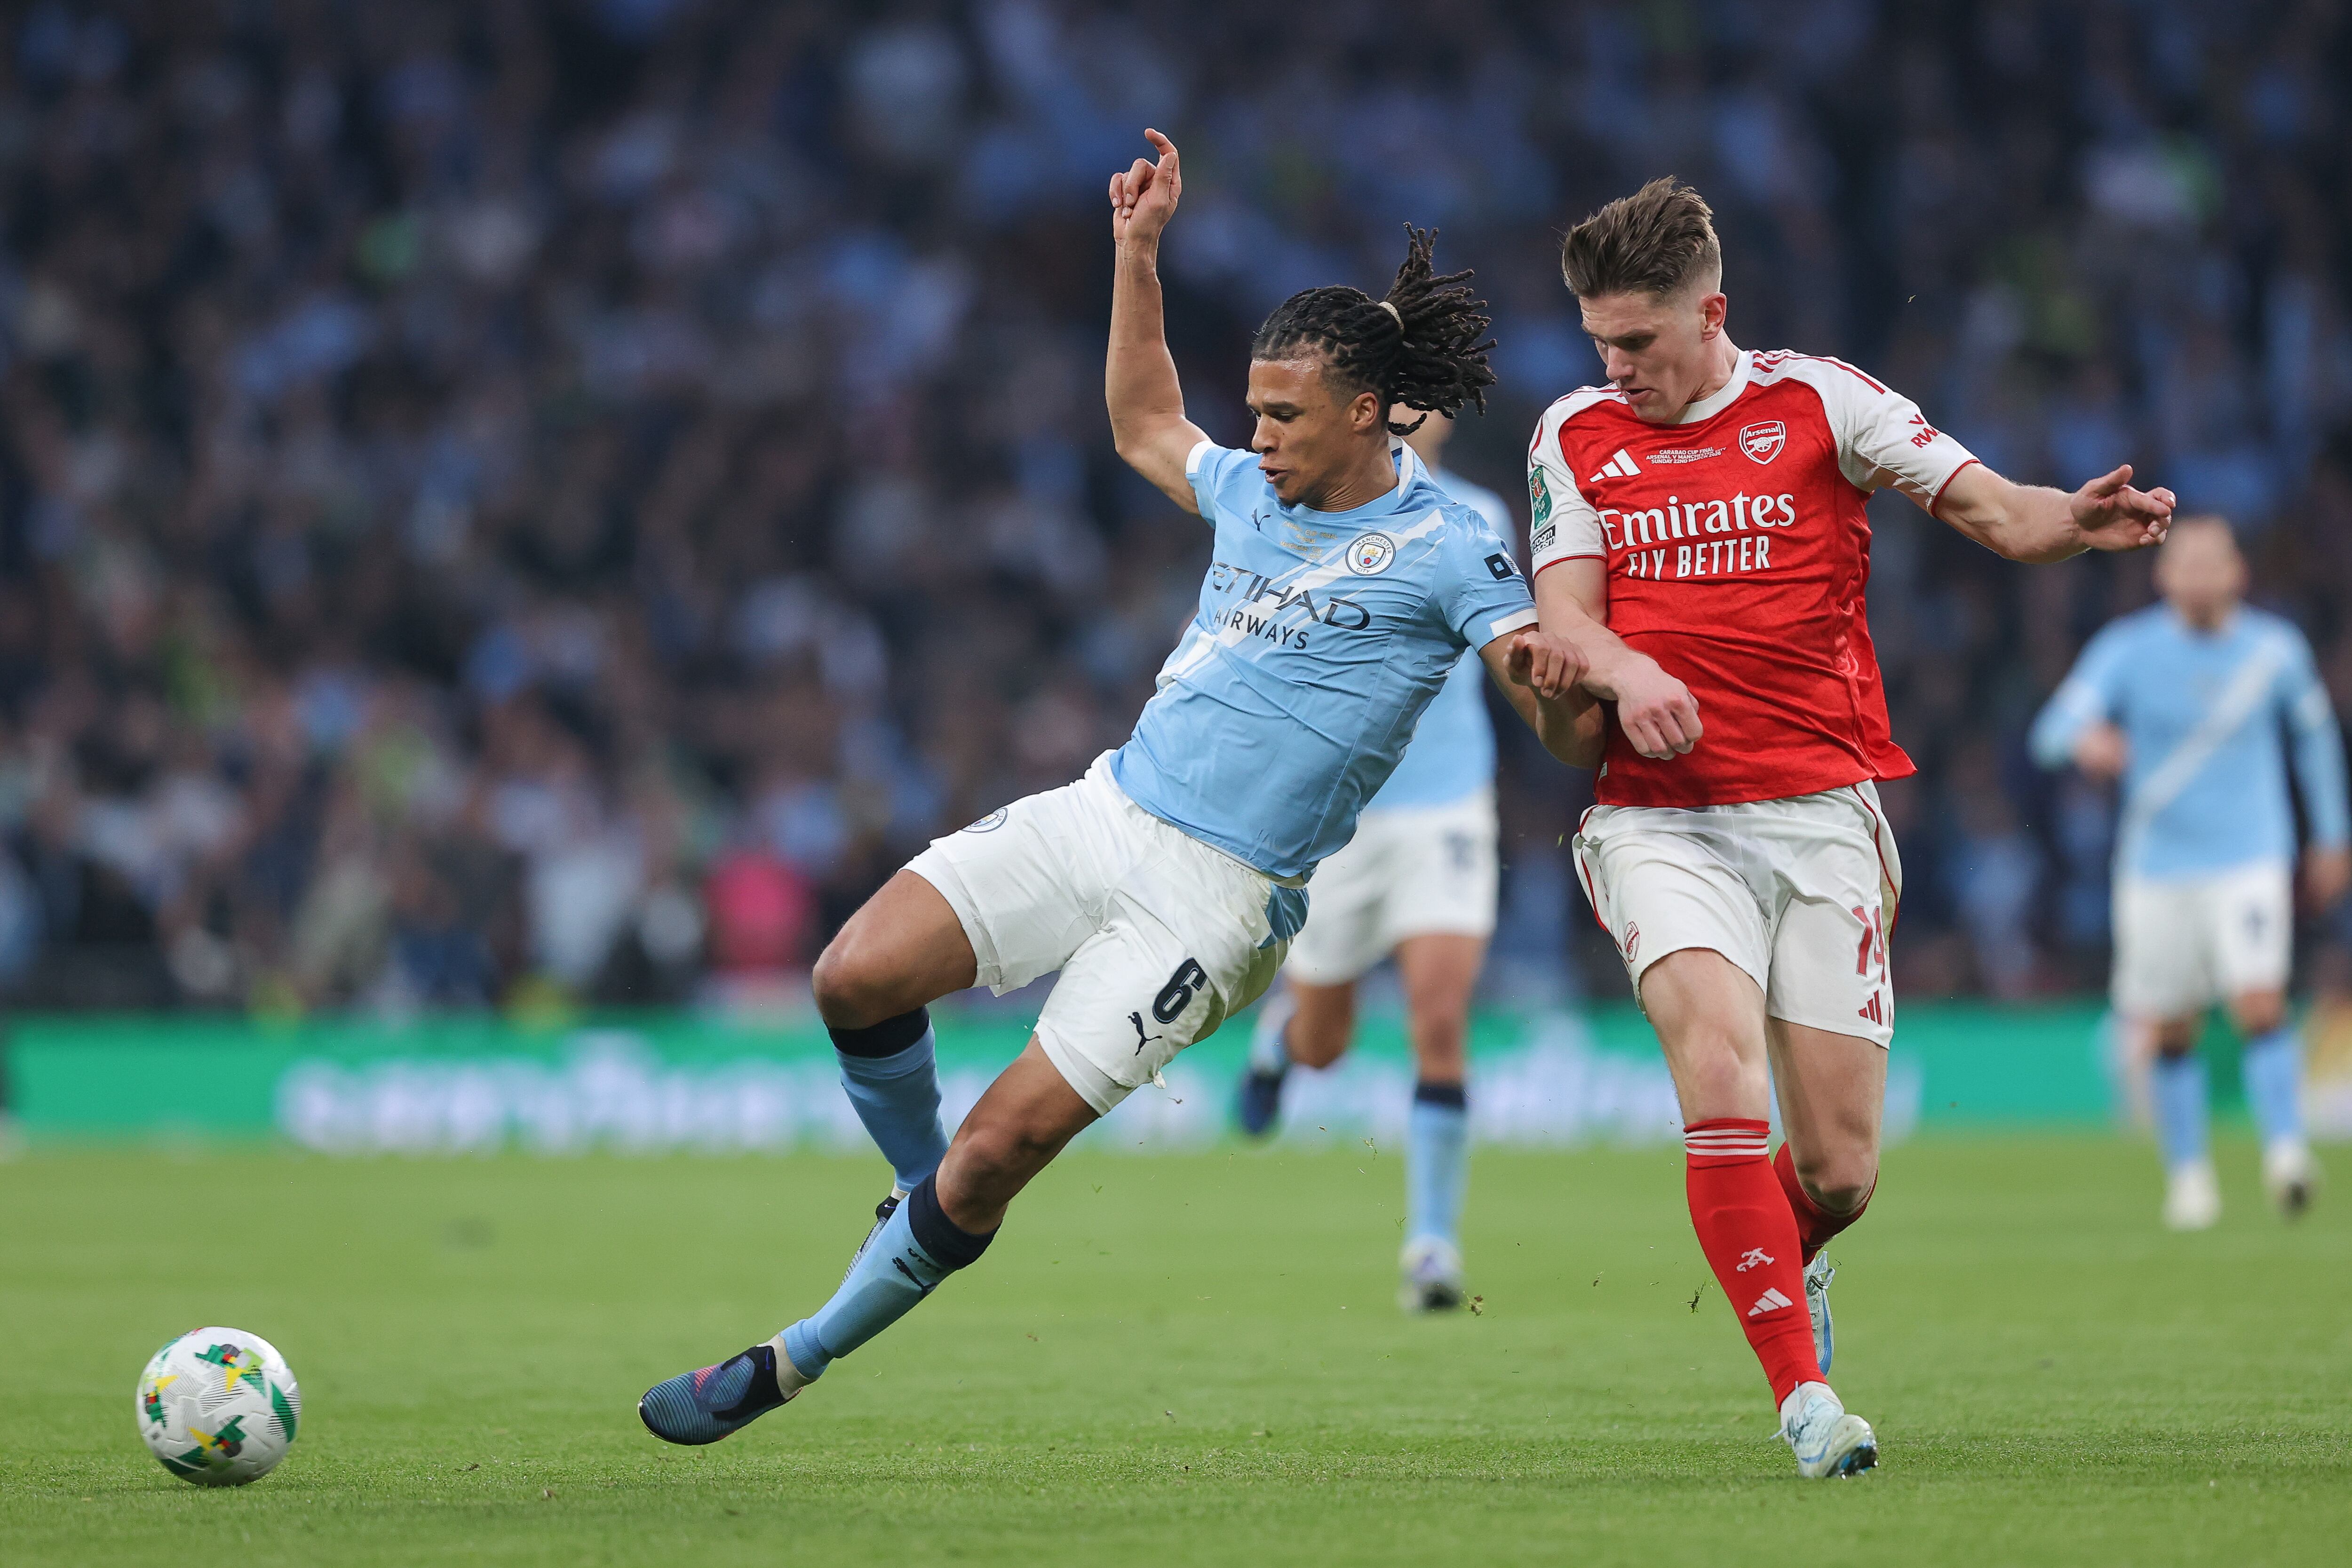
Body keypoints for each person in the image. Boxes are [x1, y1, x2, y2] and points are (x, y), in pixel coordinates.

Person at [636, 130, 1595, 1445]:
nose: (1253, 438)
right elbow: (1149, 421)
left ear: (1368, 412)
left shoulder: (1451, 548)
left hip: (1216, 900)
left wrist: (1563, 678)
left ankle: (786, 1359)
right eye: (1253, 409)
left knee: (997, 1153)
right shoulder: (1260, 489)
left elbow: (1541, 699)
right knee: (852, 972)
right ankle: (916, 1199)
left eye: (1283, 415)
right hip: (1108, 807)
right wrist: (1136, 252)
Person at [1526, 179, 2173, 1478]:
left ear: (1712, 313)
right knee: (1718, 1068)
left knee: (1839, 1171)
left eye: (1640, 341)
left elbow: (1998, 508)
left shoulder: (1821, 401)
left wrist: (2076, 525)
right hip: (1665, 823)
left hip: (1821, 812)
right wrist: (1626, 674)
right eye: (1601, 339)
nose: (1617, 366)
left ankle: (1790, 1256)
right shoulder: (1575, 432)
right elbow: (1566, 613)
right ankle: (1807, 1399)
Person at [1232, 405, 1510, 1314]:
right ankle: (1280, 1039)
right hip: (1347, 819)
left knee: (1440, 1018)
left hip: (1449, 806)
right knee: (1326, 1041)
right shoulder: (1321, 518)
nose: (1409, 419)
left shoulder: (1479, 521)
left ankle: (1432, 1244)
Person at [2030, 517, 2349, 1230]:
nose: (2202, 574)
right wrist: (2087, 739)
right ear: (2163, 574)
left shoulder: (2276, 650)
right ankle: (2190, 1175)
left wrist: (2331, 836)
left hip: (2250, 855)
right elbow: (2049, 731)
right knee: (2171, 1027)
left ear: (2239, 572)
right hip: (2157, 867)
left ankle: (2288, 1153)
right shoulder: (2128, 650)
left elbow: (2316, 745)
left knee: (2259, 1000)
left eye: (2215, 561)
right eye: (2188, 561)